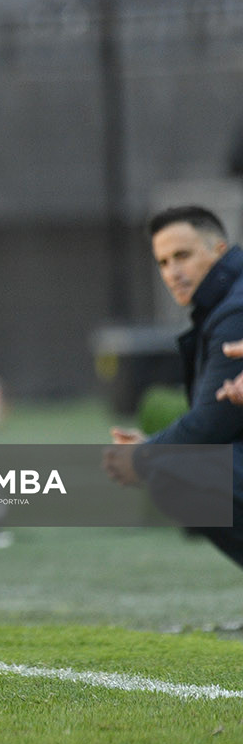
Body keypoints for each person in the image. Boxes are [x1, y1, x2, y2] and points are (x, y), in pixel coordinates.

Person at [104, 206, 243, 568]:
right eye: (163, 262)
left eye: (183, 256)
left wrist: (146, 454)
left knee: (174, 472)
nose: (172, 273)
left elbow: (213, 425)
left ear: (218, 249)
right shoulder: (225, 303)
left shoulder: (235, 312)